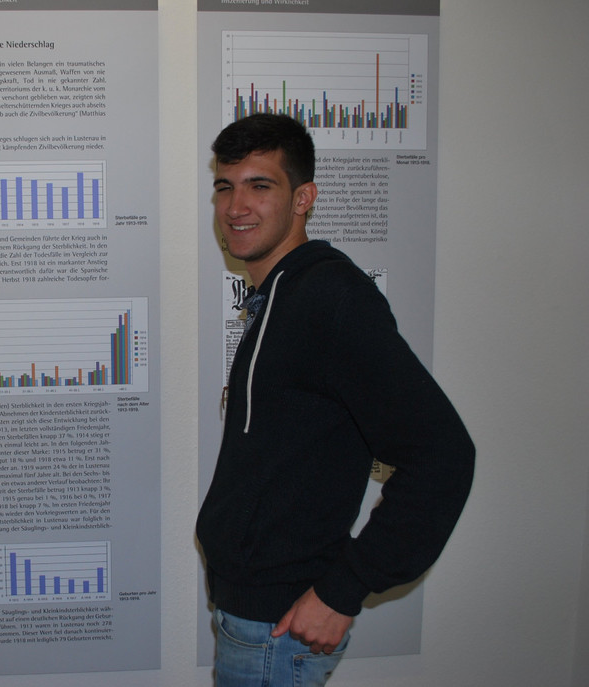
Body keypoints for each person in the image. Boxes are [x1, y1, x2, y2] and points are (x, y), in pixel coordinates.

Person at [196, 113, 475, 686]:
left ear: (304, 198)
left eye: (259, 185)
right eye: (225, 186)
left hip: (276, 630)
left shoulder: (330, 298)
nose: (235, 206)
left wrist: (344, 589)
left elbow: (443, 453)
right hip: (252, 615)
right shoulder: (279, 296)